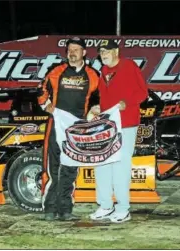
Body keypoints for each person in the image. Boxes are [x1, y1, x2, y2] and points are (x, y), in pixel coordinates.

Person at [37, 37, 100, 221]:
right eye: (70, 50)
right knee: (52, 168)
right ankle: (49, 208)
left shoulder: (93, 75)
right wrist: (45, 104)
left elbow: (101, 97)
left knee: (70, 170)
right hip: (56, 126)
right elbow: (41, 90)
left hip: (78, 130)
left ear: (84, 52)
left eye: (76, 50)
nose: (72, 53)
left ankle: (65, 210)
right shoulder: (56, 71)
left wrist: (96, 108)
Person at [89, 39, 148, 223]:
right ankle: (105, 205)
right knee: (102, 162)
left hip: (127, 124)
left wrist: (127, 103)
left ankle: (123, 208)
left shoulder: (129, 66)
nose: (103, 54)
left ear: (116, 51)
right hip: (108, 124)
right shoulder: (104, 71)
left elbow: (143, 92)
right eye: (100, 51)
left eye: (106, 51)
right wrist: (98, 107)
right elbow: (104, 96)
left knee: (120, 165)